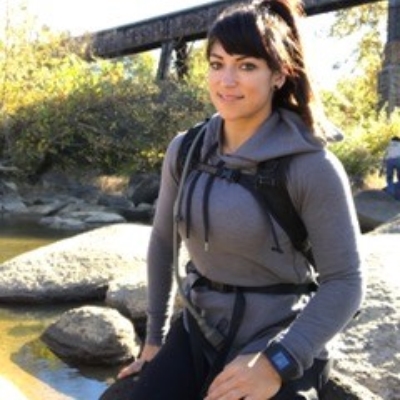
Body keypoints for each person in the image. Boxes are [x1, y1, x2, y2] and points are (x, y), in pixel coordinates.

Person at [100, 0, 364, 399]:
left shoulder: (312, 167)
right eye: (217, 63)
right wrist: (153, 341)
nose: (226, 80)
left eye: (246, 66)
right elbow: (163, 241)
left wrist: (278, 362)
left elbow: (346, 282)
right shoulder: (186, 150)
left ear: (279, 75)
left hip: (278, 334)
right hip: (201, 328)